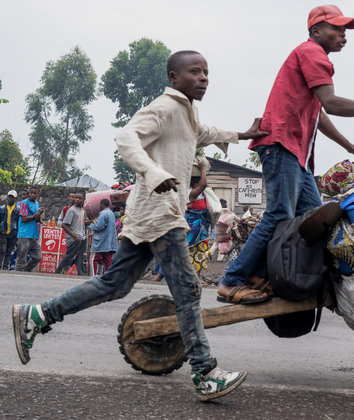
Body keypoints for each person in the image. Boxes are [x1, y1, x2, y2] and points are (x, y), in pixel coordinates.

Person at [12, 50, 268, 402]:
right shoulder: (164, 107)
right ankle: (205, 372)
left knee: (114, 284)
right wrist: (153, 171)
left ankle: (39, 314)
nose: (203, 78)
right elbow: (126, 138)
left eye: (206, 72)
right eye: (195, 72)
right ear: (174, 77)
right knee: (188, 290)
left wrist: (242, 133)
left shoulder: (187, 111)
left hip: (150, 214)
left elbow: (202, 132)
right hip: (160, 214)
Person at [217, 4, 354, 305]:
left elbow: (319, 114)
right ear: (316, 31)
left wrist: (350, 146)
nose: (343, 36)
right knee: (280, 215)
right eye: (337, 29)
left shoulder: (311, 60)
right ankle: (231, 280)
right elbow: (333, 103)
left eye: (346, 30)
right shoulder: (312, 54)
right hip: (281, 146)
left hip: (296, 155)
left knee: (315, 220)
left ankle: (262, 274)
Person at [55, 191, 87, 276]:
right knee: (69, 257)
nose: (77, 200)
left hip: (82, 237)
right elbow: (64, 225)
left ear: (84, 200)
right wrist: (74, 236)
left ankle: (82, 275)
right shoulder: (71, 210)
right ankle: (58, 273)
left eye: (79, 198)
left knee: (81, 258)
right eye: (76, 198)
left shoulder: (82, 210)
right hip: (73, 239)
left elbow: (82, 223)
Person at [16, 186, 44, 272]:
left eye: (35, 193)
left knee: (37, 256)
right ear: (28, 194)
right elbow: (24, 219)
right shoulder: (24, 203)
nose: (33, 195)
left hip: (33, 234)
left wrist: (39, 215)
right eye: (31, 193)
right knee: (22, 258)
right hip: (24, 233)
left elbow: (36, 220)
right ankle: (19, 273)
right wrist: (36, 214)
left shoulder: (37, 204)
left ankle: (26, 270)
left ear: (37, 194)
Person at [87, 198, 118, 275]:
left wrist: (90, 226)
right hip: (109, 242)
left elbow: (99, 226)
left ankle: (93, 276)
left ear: (102, 205)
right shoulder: (111, 213)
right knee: (107, 260)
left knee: (93, 259)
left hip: (100, 241)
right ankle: (108, 277)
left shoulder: (103, 213)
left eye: (100, 205)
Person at [0, 190, 19, 270]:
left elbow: (18, 221)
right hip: (3, 231)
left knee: (9, 251)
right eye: (9, 197)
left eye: (12, 197)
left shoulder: (18, 209)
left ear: (15, 199)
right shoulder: (2, 208)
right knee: (2, 250)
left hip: (13, 232)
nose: (10, 199)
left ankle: (5, 266)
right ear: (7, 197)